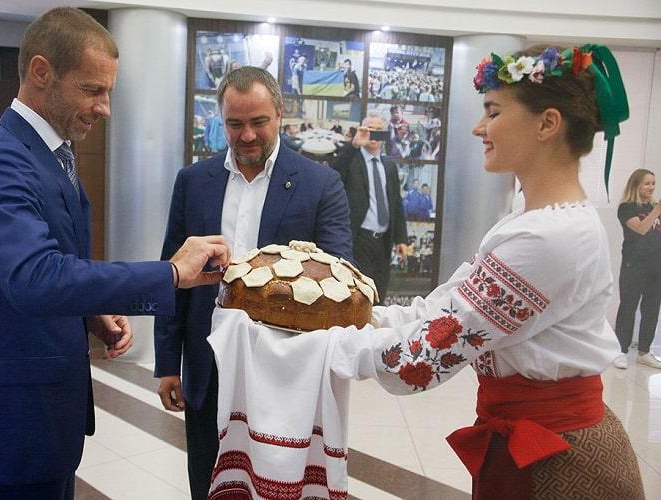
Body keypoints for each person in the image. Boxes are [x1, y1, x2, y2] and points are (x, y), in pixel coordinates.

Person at [0, 8, 231, 500]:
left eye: (108, 92)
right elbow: (34, 277)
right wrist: (169, 274)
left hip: (45, 414)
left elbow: (50, 262)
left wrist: (91, 313)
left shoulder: (51, 155)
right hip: (11, 422)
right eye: (92, 90)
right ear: (41, 72)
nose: (105, 108)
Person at [331, 45, 642, 498]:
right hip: (536, 442)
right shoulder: (533, 219)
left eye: (493, 112)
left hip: (558, 460)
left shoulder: (547, 236)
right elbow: (444, 308)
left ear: (547, 124)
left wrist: (325, 346)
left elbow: (424, 357)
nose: (480, 127)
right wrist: (352, 315)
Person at [154, 66, 353, 500]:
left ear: (280, 114)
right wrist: (168, 362)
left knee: (276, 483)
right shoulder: (194, 182)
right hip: (209, 364)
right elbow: (173, 274)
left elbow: (339, 276)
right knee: (208, 478)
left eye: (258, 122)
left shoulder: (320, 184)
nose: (247, 135)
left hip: (285, 372)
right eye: (235, 123)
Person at [331, 114, 407, 304]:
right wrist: (354, 145)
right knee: (357, 297)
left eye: (378, 130)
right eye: (369, 129)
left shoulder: (389, 166)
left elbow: (396, 203)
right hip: (358, 240)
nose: (373, 134)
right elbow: (333, 174)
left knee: (378, 295)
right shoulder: (351, 160)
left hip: (383, 242)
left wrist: (401, 239)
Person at [613, 169, 661, 369]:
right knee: (628, 306)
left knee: (651, 310)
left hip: (656, 266)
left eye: (653, 183)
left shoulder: (654, 207)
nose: (651, 187)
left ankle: (644, 351)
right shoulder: (627, 208)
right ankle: (620, 351)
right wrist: (657, 210)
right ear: (636, 185)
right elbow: (641, 229)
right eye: (647, 183)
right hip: (634, 265)